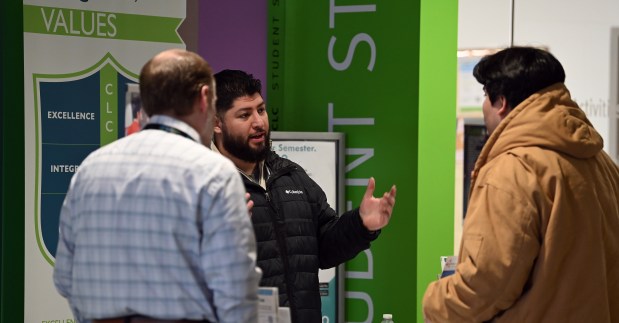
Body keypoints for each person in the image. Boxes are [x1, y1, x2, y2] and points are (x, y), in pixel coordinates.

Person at [53, 49, 261, 323]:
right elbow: (235, 291)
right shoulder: (213, 174)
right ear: (203, 98)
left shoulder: (90, 168)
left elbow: (64, 278)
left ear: (146, 101)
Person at [423, 47, 619, 322]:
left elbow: (485, 285)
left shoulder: (512, 170)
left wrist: (434, 302)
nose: (483, 106)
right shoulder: (602, 163)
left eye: (484, 97)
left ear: (500, 102)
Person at [211, 69, 397, 323]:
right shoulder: (204, 186)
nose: (259, 122)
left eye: (261, 110)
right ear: (216, 123)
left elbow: (323, 248)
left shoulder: (289, 174)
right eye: (244, 115)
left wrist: (361, 224)